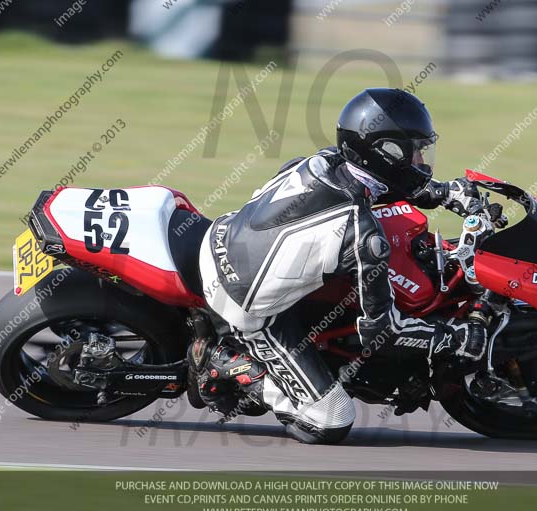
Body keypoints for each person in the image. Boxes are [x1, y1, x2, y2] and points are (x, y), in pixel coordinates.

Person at [195, 88, 507, 445]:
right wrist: (456, 338)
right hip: (243, 303)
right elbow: (382, 333)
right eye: (414, 151)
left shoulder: (325, 160)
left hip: (223, 236)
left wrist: (446, 193)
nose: (422, 160)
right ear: (385, 153)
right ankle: (231, 365)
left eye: (424, 149)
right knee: (331, 421)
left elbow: (384, 183)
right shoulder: (361, 236)